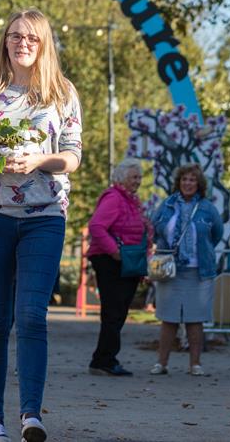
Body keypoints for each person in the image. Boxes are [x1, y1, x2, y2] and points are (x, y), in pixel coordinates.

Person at [0, 8, 83, 442]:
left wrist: (40, 160)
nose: (22, 43)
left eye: (31, 37)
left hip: (44, 216)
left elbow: (72, 155)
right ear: (5, 42)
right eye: (15, 36)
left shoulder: (62, 93)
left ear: (44, 42)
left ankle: (31, 415)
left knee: (32, 316)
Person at [146, 163, 224, 376]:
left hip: (198, 272)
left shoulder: (207, 208)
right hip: (169, 271)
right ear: (178, 182)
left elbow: (216, 233)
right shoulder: (167, 204)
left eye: (192, 180)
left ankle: (195, 364)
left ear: (199, 184)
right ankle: (161, 363)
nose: (188, 183)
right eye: (184, 180)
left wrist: (201, 250)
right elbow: (154, 229)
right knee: (168, 317)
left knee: (195, 319)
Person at [85, 158, 148, 378]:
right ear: (121, 178)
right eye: (134, 177)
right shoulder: (114, 198)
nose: (138, 181)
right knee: (113, 311)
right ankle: (104, 360)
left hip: (126, 262)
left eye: (139, 177)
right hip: (110, 261)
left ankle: (104, 358)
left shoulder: (131, 200)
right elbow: (96, 226)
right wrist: (115, 251)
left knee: (119, 311)